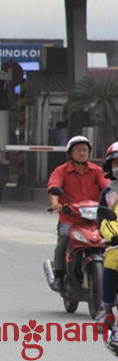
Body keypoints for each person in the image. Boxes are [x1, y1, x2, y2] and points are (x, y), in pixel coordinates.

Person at [47, 135, 109, 292]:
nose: (82, 153)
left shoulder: (97, 171)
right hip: (70, 218)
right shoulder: (61, 171)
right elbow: (54, 187)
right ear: (70, 153)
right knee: (64, 238)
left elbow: (108, 189)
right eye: (78, 150)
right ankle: (59, 276)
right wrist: (56, 204)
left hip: (95, 219)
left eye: (85, 150)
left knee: (111, 239)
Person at [96, 141, 118, 331]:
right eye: (116, 163)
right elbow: (104, 220)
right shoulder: (109, 193)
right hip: (116, 241)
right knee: (112, 260)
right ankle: (107, 309)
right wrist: (112, 236)